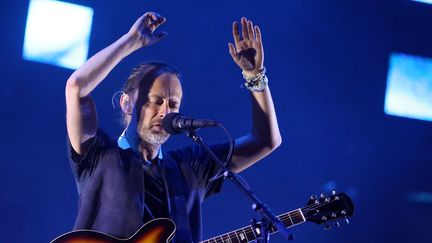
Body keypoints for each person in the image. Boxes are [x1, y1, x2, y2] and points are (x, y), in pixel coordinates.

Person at [65, 11, 281, 242]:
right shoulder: (99, 155)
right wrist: (131, 41)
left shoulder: (190, 166)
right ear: (127, 103)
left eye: (173, 104)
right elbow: (76, 87)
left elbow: (266, 141)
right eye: (156, 101)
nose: (165, 112)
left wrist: (255, 76)